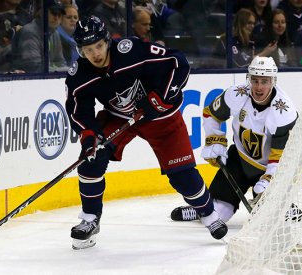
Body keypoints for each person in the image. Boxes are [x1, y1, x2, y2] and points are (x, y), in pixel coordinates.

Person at [65, 15, 228, 250]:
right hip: (119, 117)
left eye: (99, 46)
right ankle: (90, 219)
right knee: (91, 157)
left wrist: (161, 98)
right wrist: (88, 136)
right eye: (88, 50)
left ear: (107, 41)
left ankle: (208, 213)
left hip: (162, 117)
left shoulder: (131, 51)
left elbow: (178, 62)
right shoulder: (79, 74)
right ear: (80, 51)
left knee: (182, 176)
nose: (96, 54)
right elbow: (78, 111)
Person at [171, 56, 298, 223]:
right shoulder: (237, 94)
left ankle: (283, 206)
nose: (259, 87)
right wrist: (214, 139)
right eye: (255, 80)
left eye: (264, 81)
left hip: (269, 167)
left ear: (273, 81)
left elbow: (282, 154)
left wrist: (270, 178)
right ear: (249, 79)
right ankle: (201, 209)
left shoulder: (283, 112)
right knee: (218, 215)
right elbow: (211, 114)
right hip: (239, 159)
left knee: (270, 219)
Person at [14, 0, 68, 72]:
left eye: (60, 15)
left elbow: (60, 62)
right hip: (23, 80)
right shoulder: (29, 33)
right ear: (42, 12)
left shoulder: (55, 33)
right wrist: (62, 70)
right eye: (54, 13)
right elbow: (33, 67)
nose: (56, 18)